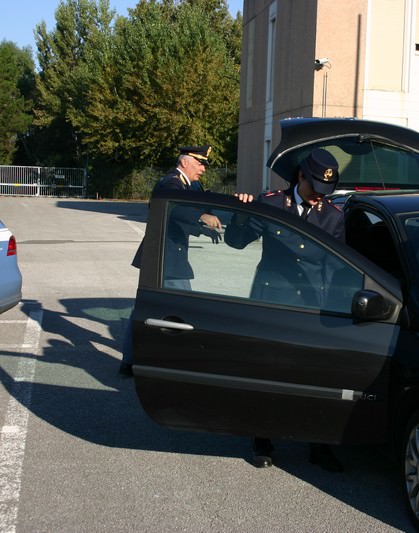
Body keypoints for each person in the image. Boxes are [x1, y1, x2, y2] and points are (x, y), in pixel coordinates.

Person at [225, 148, 345, 472]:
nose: (319, 197)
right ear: (301, 176)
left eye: (326, 192)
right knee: (268, 374)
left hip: (311, 308)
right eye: (315, 188)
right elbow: (236, 242)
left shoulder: (333, 215)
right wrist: (241, 213)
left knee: (314, 378)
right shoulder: (272, 203)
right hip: (272, 302)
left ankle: (318, 445)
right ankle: (263, 439)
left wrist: (335, 311)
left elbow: (335, 267)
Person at [119, 145, 222, 376]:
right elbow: (175, 209)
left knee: (147, 308)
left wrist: (209, 219)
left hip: (169, 258)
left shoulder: (189, 184)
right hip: (163, 259)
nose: (203, 168)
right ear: (185, 162)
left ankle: (130, 360)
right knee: (184, 307)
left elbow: (199, 202)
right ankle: (171, 360)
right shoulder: (170, 183)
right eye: (199, 163)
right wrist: (201, 216)